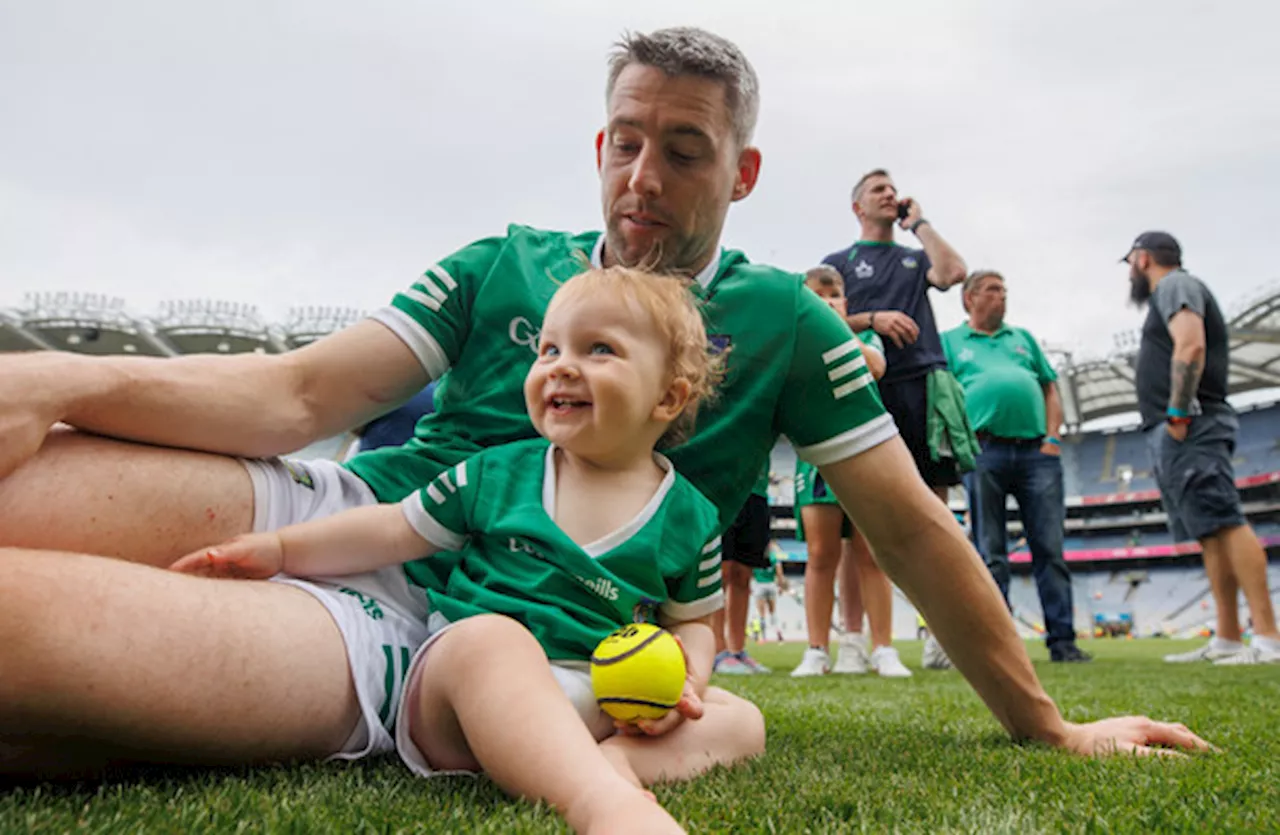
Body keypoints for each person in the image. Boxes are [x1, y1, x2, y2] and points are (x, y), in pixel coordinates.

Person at [0, 27, 1211, 784]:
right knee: (27, 474)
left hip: (464, 643)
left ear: (739, 172)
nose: (643, 180)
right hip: (364, 506)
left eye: (683, 151)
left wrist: (1046, 726)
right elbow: (297, 394)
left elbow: (904, 524)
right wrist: (60, 379)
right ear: (597, 142)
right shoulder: (502, 263)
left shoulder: (787, 320)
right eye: (627, 143)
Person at [171, 266, 741, 832]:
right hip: (460, 696)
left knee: (741, 721)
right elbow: (392, 529)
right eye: (547, 350)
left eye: (598, 350)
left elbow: (695, 623)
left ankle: (616, 762)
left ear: (667, 397)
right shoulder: (495, 474)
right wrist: (279, 548)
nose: (561, 366)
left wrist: (686, 686)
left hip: (599, 698)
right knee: (492, 640)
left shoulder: (692, 519)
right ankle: (600, 803)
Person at [821, 171, 975, 671]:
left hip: (921, 382)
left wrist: (921, 224)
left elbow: (954, 273)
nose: (890, 195)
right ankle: (854, 640)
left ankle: (941, 634)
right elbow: (814, 315)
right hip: (864, 385)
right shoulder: (839, 264)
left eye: (893, 190)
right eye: (878, 190)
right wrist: (871, 319)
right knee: (856, 523)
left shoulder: (914, 257)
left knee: (934, 511)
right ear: (857, 206)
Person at [1123, 231, 1280, 665]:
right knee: (1209, 531)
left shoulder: (1175, 284)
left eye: (1131, 261)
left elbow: (1190, 343)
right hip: (1181, 425)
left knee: (1225, 519)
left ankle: (1268, 637)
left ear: (1142, 258)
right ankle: (1228, 638)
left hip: (1190, 422)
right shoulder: (1172, 289)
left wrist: (1177, 409)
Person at [941, 270, 1091, 663]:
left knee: (1050, 549)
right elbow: (943, 395)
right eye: (992, 290)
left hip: (1035, 454)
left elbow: (1049, 387)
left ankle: (1063, 642)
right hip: (984, 450)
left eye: (1004, 290)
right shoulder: (951, 343)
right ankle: (999, 643)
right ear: (969, 298)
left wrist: (1053, 438)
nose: (1002, 297)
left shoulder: (1021, 338)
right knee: (990, 551)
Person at [790, 266, 911, 678]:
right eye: (817, 296)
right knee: (821, 555)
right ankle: (817, 649)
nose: (827, 302)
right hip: (815, 457)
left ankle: (883, 648)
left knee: (869, 554)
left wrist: (832, 329)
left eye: (835, 295)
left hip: (863, 453)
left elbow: (875, 367)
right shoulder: (793, 341)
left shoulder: (864, 339)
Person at [712, 464, 775, 674]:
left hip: (755, 491)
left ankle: (737, 650)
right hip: (721, 487)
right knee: (721, 571)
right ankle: (717, 650)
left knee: (743, 574)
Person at [751, 541, 788, 643]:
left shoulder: (756, 557)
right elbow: (779, 573)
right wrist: (781, 586)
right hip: (771, 585)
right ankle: (778, 632)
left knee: (761, 613)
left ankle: (763, 637)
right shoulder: (773, 558)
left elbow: (751, 572)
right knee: (773, 612)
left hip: (759, 585)